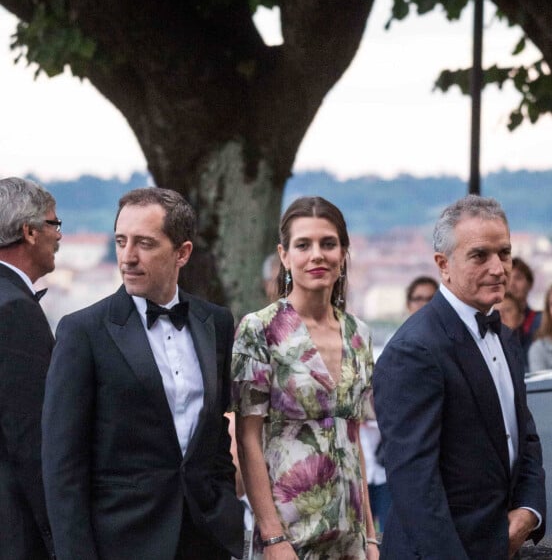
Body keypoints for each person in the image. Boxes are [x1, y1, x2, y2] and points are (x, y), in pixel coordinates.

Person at [42, 187, 244, 560]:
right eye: (121, 241)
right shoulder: (83, 331)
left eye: (145, 243)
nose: (127, 258)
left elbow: (215, 436)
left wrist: (225, 512)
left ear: (182, 252)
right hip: (121, 542)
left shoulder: (215, 322)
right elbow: (62, 467)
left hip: (205, 539)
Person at [374, 194, 546, 560]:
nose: (499, 268)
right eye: (479, 255)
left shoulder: (504, 335)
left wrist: (529, 512)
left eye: (504, 252)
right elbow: (415, 486)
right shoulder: (414, 350)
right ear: (443, 264)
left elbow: (525, 436)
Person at [231, 196, 379, 559]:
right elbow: (248, 437)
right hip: (290, 535)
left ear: (343, 253)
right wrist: (271, 537)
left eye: (328, 244)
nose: (317, 255)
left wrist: (372, 537)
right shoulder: (260, 329)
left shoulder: (358, 333)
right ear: (284, 256)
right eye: (303, 245)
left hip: (351, 538)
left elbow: (354, 437)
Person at [0, 177, 60, 560]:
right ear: (29, 232)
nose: (60, 236)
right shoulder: (15, 311)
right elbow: (32, 440)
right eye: (55, 225)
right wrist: (59, 535)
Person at [509, 257, 542, 357]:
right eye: (507, 278)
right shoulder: (490, 320)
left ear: (530, 284)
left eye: (518, 278)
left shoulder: (541, 321)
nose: (511, 284)